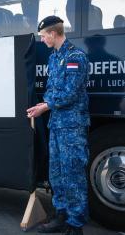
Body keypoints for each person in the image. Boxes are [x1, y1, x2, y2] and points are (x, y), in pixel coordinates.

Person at [26, 16, 90, 235]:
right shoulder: (55, 58)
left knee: (73, 175)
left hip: (72, 126)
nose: (42, 40)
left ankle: (75, 224)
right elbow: (53, 90)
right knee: (57, 174)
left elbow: (70, 93)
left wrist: (46, 106)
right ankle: (61, 216)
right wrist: (45, 103)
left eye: (44, 36)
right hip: (57, 125)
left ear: (53, 33)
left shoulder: (75, 57)